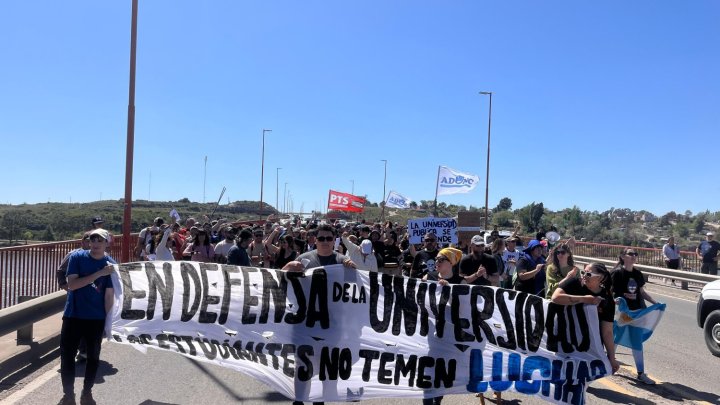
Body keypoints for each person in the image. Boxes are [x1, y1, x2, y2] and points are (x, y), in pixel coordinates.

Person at [58, 229, 116, 405]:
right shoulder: (77, 257)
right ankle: (68, 395)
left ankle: (87, 392)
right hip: (73, 315)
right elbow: (73, 285)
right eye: (93, 239)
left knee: (93, 357)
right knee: (67, 356)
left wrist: (108, 322)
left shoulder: (111, 265)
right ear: (88, 242)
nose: (96, 243)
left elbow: (109, 295)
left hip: (95, 318)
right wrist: (99, 273)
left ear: (107, 243)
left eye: (100, 240)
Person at [551, 262, 620, 375]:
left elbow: (607, 332)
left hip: (589, 344)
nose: (584, 276)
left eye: (588, 274)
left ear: (600, 277)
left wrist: (611, 357)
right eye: (583, 272)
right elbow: (556, 297)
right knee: (564, 373)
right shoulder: (574, 283)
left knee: (583, 376)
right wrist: (585, 299)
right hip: (566, 338)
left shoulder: (607, 299)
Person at [611, 248, 658, 384]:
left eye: (635, 254)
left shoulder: (638, 274)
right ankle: (609, 364)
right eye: (630, 254)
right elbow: (609, 291)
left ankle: (641, 373)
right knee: (615, 339)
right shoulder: (617, 273)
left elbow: (642, 292)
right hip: (623, 312)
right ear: (622, 256)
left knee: (636, 342)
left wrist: (656, 303)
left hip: (638, 312)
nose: (634, 256)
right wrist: (617, 299)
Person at [283, 224, 356, 272]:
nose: (325, 241)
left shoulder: (343, 261)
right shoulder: (302, 259)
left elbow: (354, 283)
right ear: (315, 240)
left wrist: (353, 267)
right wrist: (288, 267)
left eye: (329, 238)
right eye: (321, 238)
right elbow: (281, 280)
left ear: (334, 240)